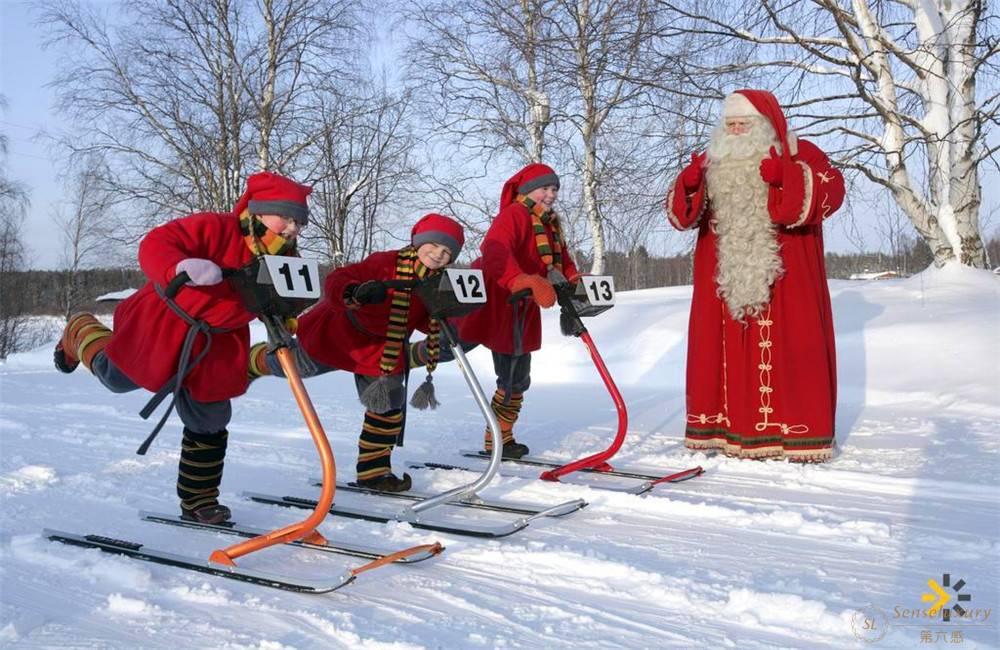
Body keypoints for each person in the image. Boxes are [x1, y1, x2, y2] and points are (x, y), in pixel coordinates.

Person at [53, 171, 312, 523]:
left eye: (299, 222)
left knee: (212, 416)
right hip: (167, 323)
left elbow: (285, 300)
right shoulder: (215, 228)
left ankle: (199, 501)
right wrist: (179, 265)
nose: (293, 229)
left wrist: (286, 323)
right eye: (287, 218)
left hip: (220, 342)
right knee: (115, 377)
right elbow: (156, 243)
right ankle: (79, 329)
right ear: (261, 211)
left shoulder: (287, 257)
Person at [664, 89, 845, 462]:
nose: (736, 131)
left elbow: (833, 193)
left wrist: (787, 176)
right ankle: (722, 431)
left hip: (785, 279)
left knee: (793, 347)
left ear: (766, 125)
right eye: (730, 125)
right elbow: (681, 218)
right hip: (724, 280)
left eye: (744, 124)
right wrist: (689, 183)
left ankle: (791, 437)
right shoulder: (711, 160)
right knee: (720, 349)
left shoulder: (800, 152)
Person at [248, 213, 465, 492]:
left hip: (382, 350)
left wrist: (447, 316)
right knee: (296, 367)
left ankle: (374, 472)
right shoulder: (384, 263)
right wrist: (356, 292)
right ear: (418, 242)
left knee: (387, 404)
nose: (437, 255)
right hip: (340, 335)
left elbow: (424, 319)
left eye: (446, 252)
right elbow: (338, 279)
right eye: (433, 246)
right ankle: (255, 360)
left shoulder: (434, 283)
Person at [457, 163, 581, 459]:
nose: (551, 195)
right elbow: (495, 251)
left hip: (524, 302)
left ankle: (501, 437)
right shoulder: (514, 214)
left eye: (554, 189)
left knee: (517, 376)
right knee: (465, 353)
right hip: (499, 299)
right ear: (527, 190)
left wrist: (576, 283)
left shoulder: (549, 222)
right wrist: (521, 279)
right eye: (545, 189)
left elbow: (560, 259)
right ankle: (498, 438)